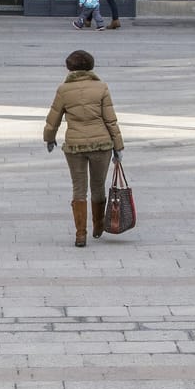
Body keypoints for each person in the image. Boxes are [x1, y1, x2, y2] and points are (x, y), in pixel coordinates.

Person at [42, 50, 125, 247]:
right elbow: (110, 120)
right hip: (101, 145)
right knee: (98, 186)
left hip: (75, 146)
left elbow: (54, 118)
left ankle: (80, 234)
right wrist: (118, 146)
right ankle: (98, 225)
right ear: (91, 67)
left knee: (78, 188)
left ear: (69, 68)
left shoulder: (63, 90)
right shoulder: (101, 87)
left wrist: (49, 138)